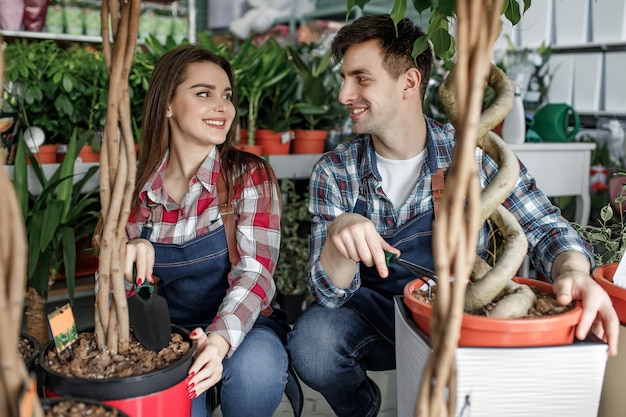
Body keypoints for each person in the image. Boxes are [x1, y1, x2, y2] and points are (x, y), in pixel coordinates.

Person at [287, 14, 619, 417]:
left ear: (409, 82)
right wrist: (341, 239)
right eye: (345, 78)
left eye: (361, 78)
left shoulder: (470, 155)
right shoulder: (336, 171)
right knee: (312, 344)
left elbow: (545, 226)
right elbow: (328, 294)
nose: (343, 93)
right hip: (371, 321)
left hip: (459, 312)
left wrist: (573, 274)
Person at [124, 45, 288, 417]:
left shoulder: (247, 175)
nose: (222, 107)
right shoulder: (138, 190)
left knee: (256, 371)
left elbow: (255, 274)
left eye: (226, 96)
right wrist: (126, 264)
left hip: (242, 328)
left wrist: (216, 342)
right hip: (165, 336)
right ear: (167, 104)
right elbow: (114, 291)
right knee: (178, 405)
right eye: (204, 93)